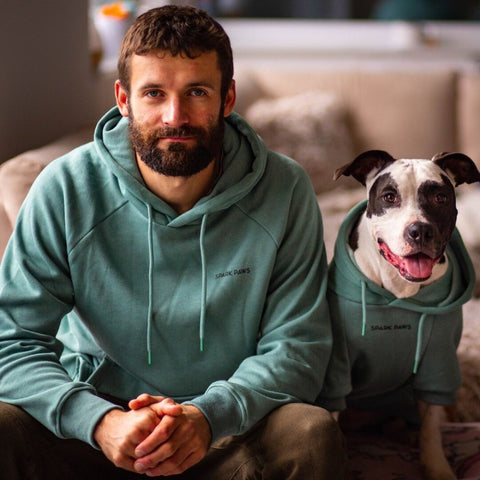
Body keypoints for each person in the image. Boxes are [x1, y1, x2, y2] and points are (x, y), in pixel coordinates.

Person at [0, 5, 345, 479]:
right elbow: (12, 342)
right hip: (96, 429)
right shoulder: (64, 188)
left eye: (197, 92)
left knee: (310, 431)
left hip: (227, 429)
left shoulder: (284, 190)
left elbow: (299, 347)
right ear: (123, 99)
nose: (175, 116)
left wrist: (206, 417)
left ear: (228, 98)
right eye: (154, 93)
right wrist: (98, 422)